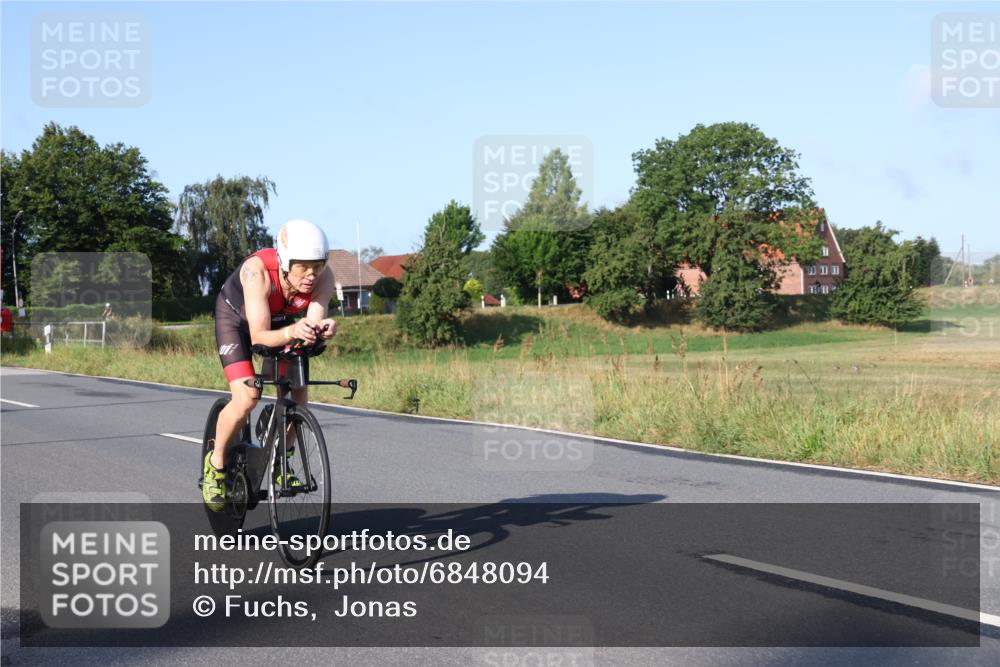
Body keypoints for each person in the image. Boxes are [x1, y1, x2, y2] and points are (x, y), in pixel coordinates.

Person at [203, 219, 337, 511]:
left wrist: (321, 328)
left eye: (318, 265)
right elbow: (259, 336)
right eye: (303, 266)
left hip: (277, 322)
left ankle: (281, 456)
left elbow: (310, 325)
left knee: (297, 394)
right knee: (248, 396)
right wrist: (293, 330)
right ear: (287, 262)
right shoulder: (257, 272)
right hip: (237, 321)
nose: (312, 274)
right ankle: (215, 464)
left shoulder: (324, 278)